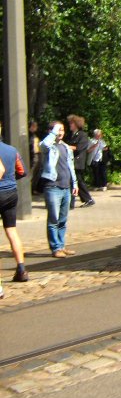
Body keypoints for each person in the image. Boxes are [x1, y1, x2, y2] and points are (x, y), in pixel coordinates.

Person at [40, 121, 79, 258]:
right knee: (53, 219)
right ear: (51, 131)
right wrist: (54, 132)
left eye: (62, 129)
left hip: (66, 187)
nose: (61, 132)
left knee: (63, 219)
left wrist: (75, 184)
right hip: (52, 187)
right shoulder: (49, 147)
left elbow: (71, 167)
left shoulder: (65, 147)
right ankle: (55, 248)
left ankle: (61, 246)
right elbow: (43, 145)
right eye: (58, 129)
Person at [0, 126, 29, 285]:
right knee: (11, 230)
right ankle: (21, 269)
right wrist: (10, 180)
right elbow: (22, 171)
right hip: (11, 193)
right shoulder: (12, 150)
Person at [66, 114, 94, 207]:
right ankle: (84, 199)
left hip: (78, 162)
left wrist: (66, 147)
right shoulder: (72, 135)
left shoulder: (82, 135)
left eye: (71, 123)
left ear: (76, 124)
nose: (70, 125)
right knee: (76, 182)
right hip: (72, 162)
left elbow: (79, 148)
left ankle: (87, 199)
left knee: (78, 181)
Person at [29, 120, 42, 194]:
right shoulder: (29, 135)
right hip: (33, 156)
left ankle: (33, 189)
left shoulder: (35, 135)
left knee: (36, 174)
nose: (36, 128)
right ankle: (30, 189)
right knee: (32, 173)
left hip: (37, 155)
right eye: (34, 126)